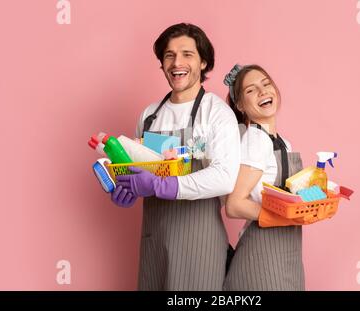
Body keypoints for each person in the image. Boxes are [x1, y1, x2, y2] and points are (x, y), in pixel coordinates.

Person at [111, 23, 240, 291]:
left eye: (187, 54)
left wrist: (161, 185)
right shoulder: (150, 116)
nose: (176, 62)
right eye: (169, 55)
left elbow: (225, 178)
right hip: (154, 242)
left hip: (199, 244)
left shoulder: (215, 112)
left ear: (203, 62)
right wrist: (124, 188)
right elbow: (137, 171)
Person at [222, 64, 305, 291]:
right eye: (251, 90)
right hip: (262, 255)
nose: (262, 91)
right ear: (240, 105)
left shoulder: (283, 142)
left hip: (287, 249)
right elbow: (234, 205)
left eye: (266, 84)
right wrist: (283, 216)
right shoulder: (255, 140)